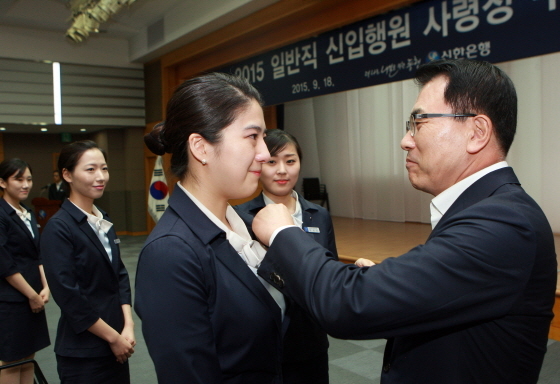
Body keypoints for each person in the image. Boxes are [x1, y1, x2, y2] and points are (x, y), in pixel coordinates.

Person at [252, 59, 557, 383]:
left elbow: (347, 304)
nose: (405, 140)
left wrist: (283, 232)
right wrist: (382, 281)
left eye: (418, 123)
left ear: (477, 132)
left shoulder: (504, 223)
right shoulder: (486, 209)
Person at [134, 73, 286, 384]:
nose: (265, 154)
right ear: (201, 148)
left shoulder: (243, 223)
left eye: (263, 137)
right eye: (252, 137)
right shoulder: (170, 253)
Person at [235, 129, 337, 384]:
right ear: (259, 164)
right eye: (272, 161)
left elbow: (328, 268)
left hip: (309, 340)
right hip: (261, 340)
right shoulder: (240, 217)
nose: (282, 170)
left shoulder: (319, 215)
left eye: (290, 161)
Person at [41, 140, 135, 384]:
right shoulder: (59, 228)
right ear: (67, 174)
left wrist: (128, 326)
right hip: (84, 351)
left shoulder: (102, 218)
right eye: (90, 169)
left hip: (117, 342)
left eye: (104, 168)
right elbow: (68, 295)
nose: (100, 176)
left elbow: (120, 276)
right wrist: (113, 338)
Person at [0, 159, 50, 384]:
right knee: (12, 359)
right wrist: (31, 295)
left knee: (29, 356)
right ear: (2, 182)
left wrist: (46, 287)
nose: (25, 184)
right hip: (12, 300)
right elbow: (4, 264)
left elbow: (36, 255)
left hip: (34, 297)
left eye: (29, 179)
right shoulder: (1, 214)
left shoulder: (27, 212)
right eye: (18, 179)